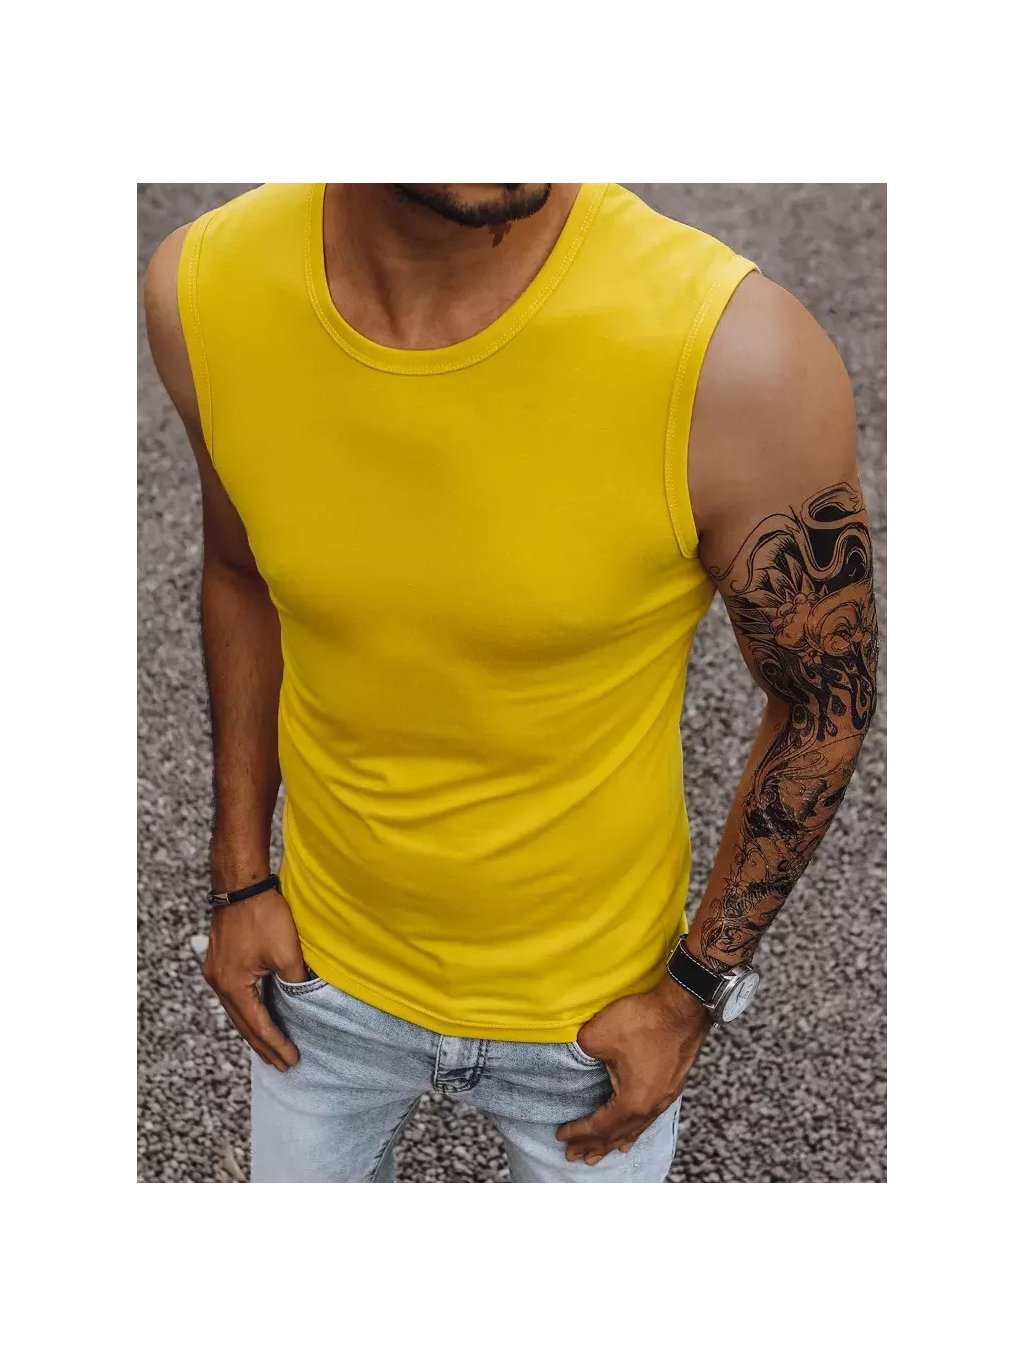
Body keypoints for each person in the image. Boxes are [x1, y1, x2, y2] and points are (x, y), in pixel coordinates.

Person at [144, 183, 878, 1183]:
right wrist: (238, 877)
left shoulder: (735, 356)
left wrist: (693, 991)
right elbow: (240, 571)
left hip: (591, 1019)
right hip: (318, 978)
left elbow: (825, 699)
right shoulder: (205, 288)